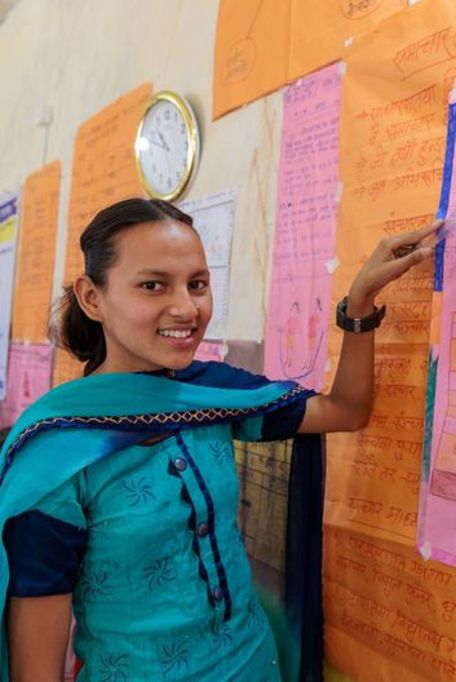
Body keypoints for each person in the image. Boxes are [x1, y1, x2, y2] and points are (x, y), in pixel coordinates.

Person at [0, 198, 439, 682]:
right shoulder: (58, 455)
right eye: (153, 285)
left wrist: (359, 304)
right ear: (92, 298)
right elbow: (35, 668)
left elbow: (345, 410)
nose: (187, 308)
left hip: (256, 665)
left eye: (198, 284)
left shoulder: (209, 394)